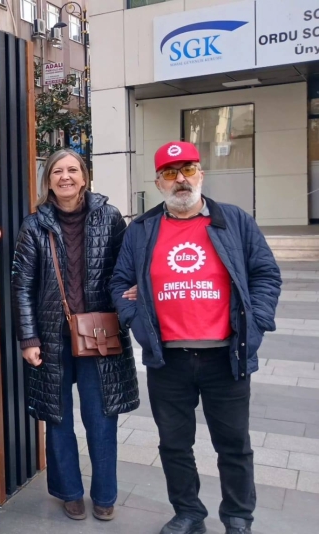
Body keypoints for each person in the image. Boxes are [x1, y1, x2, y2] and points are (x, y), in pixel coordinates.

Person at [110, 141, 281, 534]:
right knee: (174, 444)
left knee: (234, 445)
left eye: (187, 169)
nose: (181, 180)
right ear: (158, 183)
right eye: (170, 173)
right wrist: (137, 321)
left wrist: (256, 324)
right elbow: (119, 282)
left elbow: (266, 274)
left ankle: (238, 518)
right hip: (168, 359)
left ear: (201, 174)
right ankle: (188, 513)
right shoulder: (141, 229)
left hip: (226, 356)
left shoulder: (234, 220)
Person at [11, 149, 140, 522]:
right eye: (57, 171)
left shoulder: (109, 217)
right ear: (48, 180)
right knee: (58, 417)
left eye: (72, 170)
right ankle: (69, 491)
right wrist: (29, 339)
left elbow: (124, 270)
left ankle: (105, 495)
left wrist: (129, 302)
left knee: (102, 416)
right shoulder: (34, 225)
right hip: (52, 335)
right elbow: (22, 286)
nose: (65, 177)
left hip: (100, 332)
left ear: (84, 177)